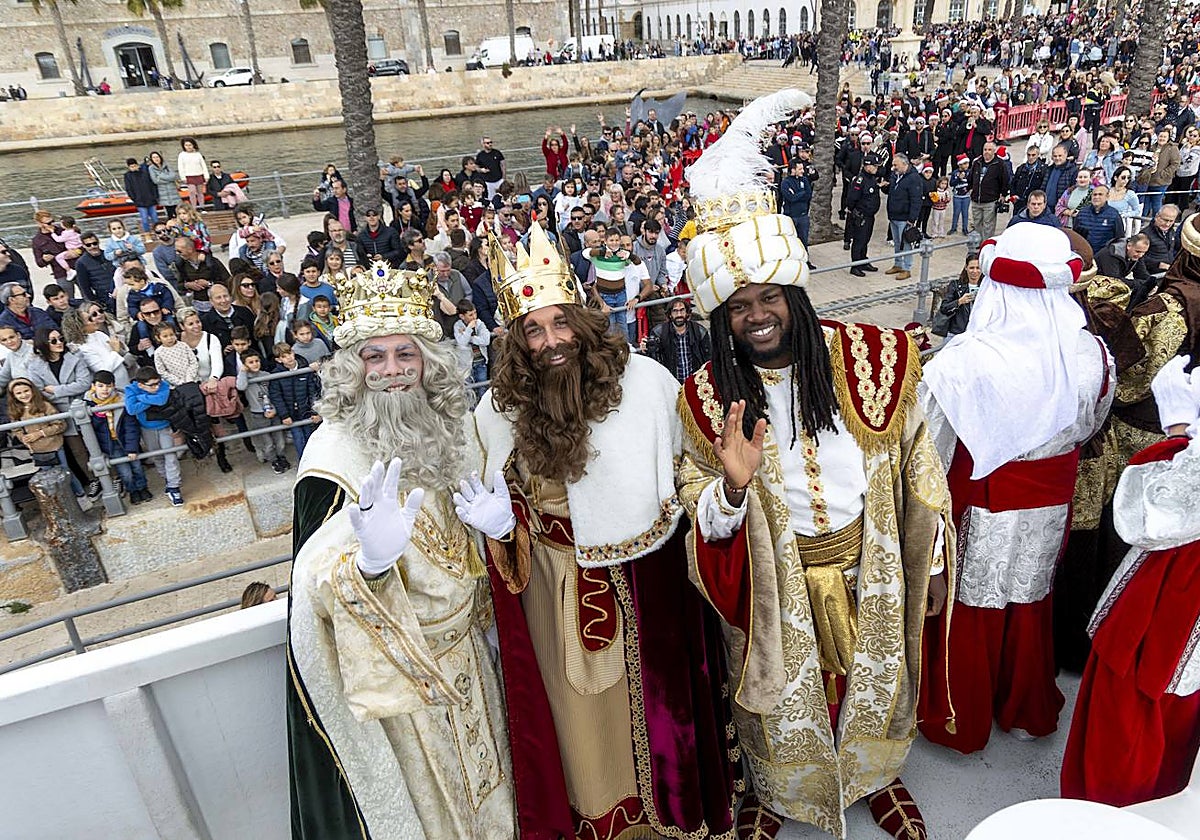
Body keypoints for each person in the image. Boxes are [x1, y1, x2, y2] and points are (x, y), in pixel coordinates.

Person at [674, 88, 953, 840]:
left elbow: (919, 460)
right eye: (737, 306)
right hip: (778, 575)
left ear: (794, 295)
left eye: (768, 297)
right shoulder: (705, 399)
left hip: (872, 560)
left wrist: (928, 568)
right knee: (785, 694)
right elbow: (693, 498)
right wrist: (730, 491)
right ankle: (779, 792)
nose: (755, 315)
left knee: (872, 681)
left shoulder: (874, 356)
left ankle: (876, 775)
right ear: (721, 318)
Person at [468, 221, 738, 839]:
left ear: (583, 320)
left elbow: (692, 478)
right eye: (533, 331)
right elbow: (494, 498)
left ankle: (675, 817)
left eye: (560, 322)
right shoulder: (497, 410)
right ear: (517, 343)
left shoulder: (646, 383)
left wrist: (727, 494)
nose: (551, 341)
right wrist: (502, 526)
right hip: (551, 587)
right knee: (580, 720)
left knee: (660, 711)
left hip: (650, 581)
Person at [285, 261, 515, 838]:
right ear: (352, 369)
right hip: (406, 682)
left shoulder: (452, 428)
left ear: (427, 362)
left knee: (500, 791)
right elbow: (309, 590)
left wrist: (502, 533)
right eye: (374, 356)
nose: (392, 372)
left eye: (405, 355)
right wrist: (368, 565)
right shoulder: (331, 459)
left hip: (476, 660)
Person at [918, 224, 1114, 755]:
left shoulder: (960, 362)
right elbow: (1092, 422)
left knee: (974, 602)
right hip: (1051, 496)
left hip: (982, 499)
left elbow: (926, 452)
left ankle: (965, 715)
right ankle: (1023, 707)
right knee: (1030, 596)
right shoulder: (1092, 354)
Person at [1061, 355, 1200, 807]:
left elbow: (1151, 519)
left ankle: (1111, 814)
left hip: (1179, 583)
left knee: (1140, 699)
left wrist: (1178, 430)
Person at [7, 378, 83, 497]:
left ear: (32, 390)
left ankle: (80, 494)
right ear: (13, 396)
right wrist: (23, 438)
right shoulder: (15, 411)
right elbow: (15, 429)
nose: (24, 395)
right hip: (37, 450)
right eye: (19, 393)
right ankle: (62, 501)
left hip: (54, 446)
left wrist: (40, 433)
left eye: (26, 391)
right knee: (48, 478)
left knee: (65, 472)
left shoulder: (45, 406)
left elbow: (61, 424)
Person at [85, 369, 150, 504]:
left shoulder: (122, 400)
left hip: (126, 440)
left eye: (108, 386)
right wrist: (98, 417)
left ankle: (143, 488)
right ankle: (132, 491)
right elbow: (89, 430)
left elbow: (131, 426)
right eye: (100, 386)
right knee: (124, 471)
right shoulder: (88, 404)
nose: (105, 390)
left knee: (137, 466)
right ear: (93, 386)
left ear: (113, 386)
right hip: (110, 444)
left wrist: (132, 447)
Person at [124, 367, 186, 506]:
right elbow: (131, 409)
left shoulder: (161, 385)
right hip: (146, 428)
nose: (157, 386)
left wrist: (142, 398)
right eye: (152, 385)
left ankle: (174, 487)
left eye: (157, 383)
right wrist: (151, 399)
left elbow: (162, 399)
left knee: (170, 455)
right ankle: (167, 479)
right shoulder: (131, 389)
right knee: (157, 456)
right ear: (140, 385)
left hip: (165, 426)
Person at [641, 298, 711, 382]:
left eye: (682, 310)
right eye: (675, 311)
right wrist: (645, 350)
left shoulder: (699, 331)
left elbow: (708, 357)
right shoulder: (659, 332)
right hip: (671, 382)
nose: (679, 314)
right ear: (670, 314)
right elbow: (653, 361)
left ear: (687, 313)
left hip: (695, 380)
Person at [885, 153, 922, 281]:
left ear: (904, 164)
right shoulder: (895, 175)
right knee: (896, 242)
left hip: (905, 217)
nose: (893, 167)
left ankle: (907, 268)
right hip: (894, 215)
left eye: (896, 165)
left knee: (905, 243)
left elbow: (916, 199)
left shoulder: (913, 178)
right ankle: (898, 264)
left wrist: (912, 219)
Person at [968, 140, 1012, 241]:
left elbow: (1005, 180)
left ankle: (986, 245)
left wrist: (1003, 194)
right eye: (985, 149)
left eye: (989, 150)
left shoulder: (999, 164)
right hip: (976, 200)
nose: (986, 152)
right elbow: (970, 177)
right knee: (977, 223)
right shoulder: (977, 162)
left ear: (994, 151)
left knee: (988, 226)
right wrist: (970, 189)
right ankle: (977, 243)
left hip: (990, 200)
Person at [1094, 234, 1153, 309]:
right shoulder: (1111, 254)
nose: (1140, 255)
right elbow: (1114, 281)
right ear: (1129, 246)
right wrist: (1141, 283)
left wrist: (1151, 283)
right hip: (1096, 286)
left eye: (1144, 252)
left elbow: (1142, 274)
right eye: (1138, 251)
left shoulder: (1136, 254)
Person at [173, 236, 230, 313]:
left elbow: (228, 281)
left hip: (219, 303)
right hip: (199, 305)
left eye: (179, 251)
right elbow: (179, 285)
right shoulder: (181, 265)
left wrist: (209, 284)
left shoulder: (211, 262)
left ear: (190, 249)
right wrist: (188, 285)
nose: (177, 254)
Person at [935, 254, 981, 338]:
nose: (975, 271)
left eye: (978, 268)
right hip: (956, 332)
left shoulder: (987, 287)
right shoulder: (955, 285)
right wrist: (959, 301)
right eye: (971, 268)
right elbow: (944, 308)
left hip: (977, 333)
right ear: (966, 267)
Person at [1073, 184, 1124, 254]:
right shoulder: (1082, 213)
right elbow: (1075, 235)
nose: (1097, 197)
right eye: (1094, 194)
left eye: (1100, 194)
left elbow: (1119, 239)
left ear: (1107, 197)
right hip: (1085, 254)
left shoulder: (1114, 215)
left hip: (1103, 256)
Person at [123, 158, 159, 232]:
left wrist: (155, 196)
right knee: (144, 219)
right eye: (131, 167)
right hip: (139, 201)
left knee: (155, 218)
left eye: (134, 166)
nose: (133, 168)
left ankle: (158, 232)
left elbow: (152, 185)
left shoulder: (145, 172)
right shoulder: (128, 176)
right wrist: (134, 199)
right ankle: (147, 233)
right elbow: (129, 189)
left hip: (151, 199)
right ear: (129, 167)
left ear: (137, 165)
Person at [1146, 204, 1183, 274]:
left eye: (1171, 221)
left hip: (1169, 273)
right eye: (1165, 220)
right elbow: (1139, 258)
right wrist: (1159, 264)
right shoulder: (1145, 234)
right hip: (1152, 275)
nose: (1167, 224)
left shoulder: (1171, 232)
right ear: (1157, 217)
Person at [147, 151, 181, 221]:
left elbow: (174, 176)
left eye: (157, 157)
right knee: (169, 212)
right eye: (154, 157)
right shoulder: (151, 168)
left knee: (177, 211)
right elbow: (156, 180)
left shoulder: (167, 165)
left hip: (172, 191)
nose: (156, 159)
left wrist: (161, 176)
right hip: (163, 193)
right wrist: (168, 178)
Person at [177, 137, 208, 210]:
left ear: (193, 145)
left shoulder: (198, 154)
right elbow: (180, 167)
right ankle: (194, 208)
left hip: (199, 175)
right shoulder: (182, 155)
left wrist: (206, 175)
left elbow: (203, 165)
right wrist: (183, 177)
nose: (188, 147)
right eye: (186, 145)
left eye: (190, 145)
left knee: (200, 192)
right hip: (189, 176)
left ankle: (202, 207)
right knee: (192, 192)